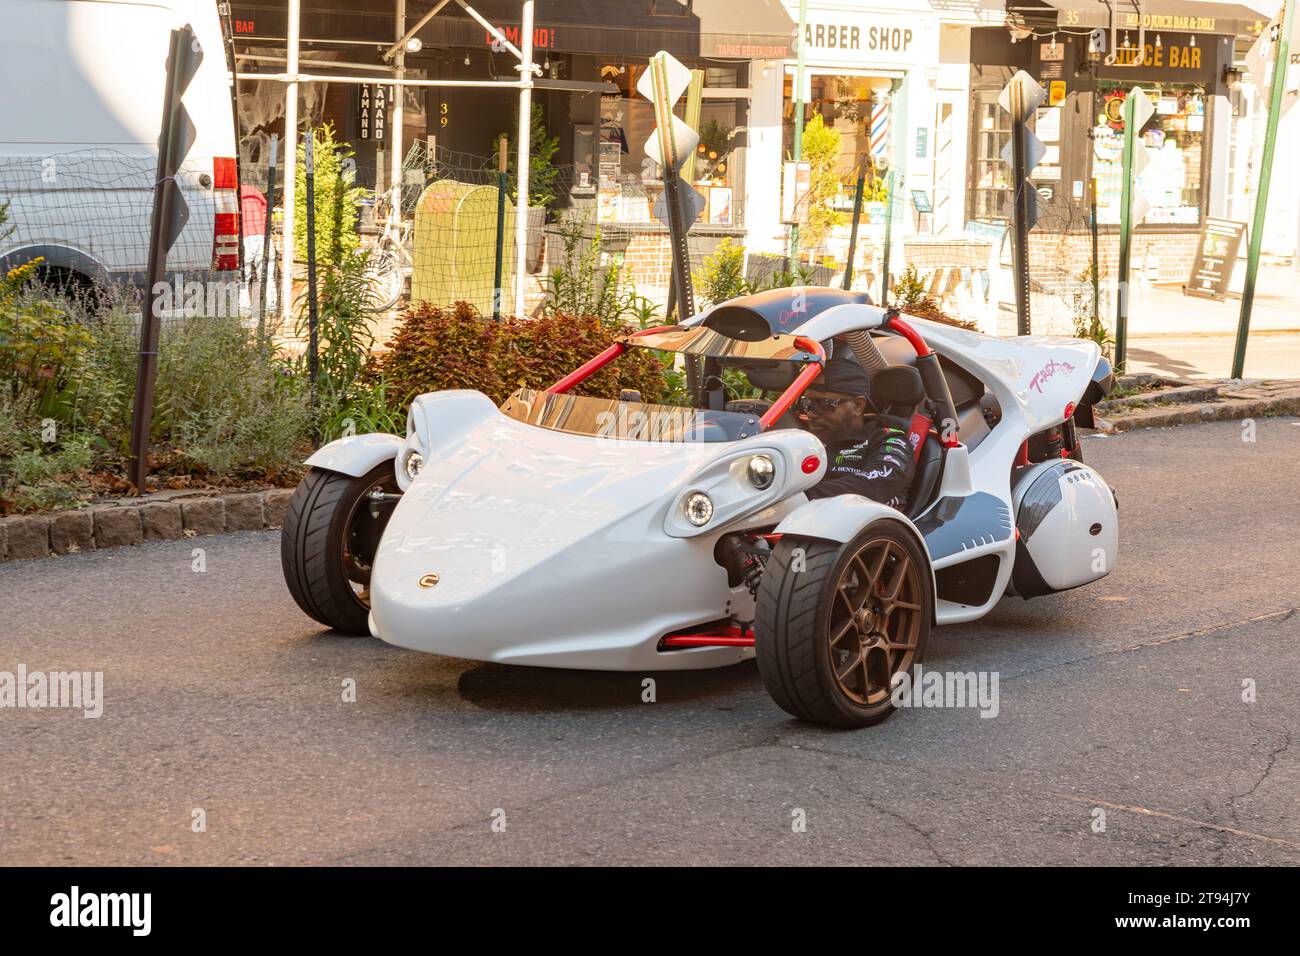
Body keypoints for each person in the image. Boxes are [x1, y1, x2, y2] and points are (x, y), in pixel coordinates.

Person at [796, 357, 916, 510]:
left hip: (862, 527)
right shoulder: (804, 439)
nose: (812, 414)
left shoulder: (889, 440)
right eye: (807, 403)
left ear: (858, 405)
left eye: (825, 403)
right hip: (796, 520)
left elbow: (873, 484)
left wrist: (796, 498)